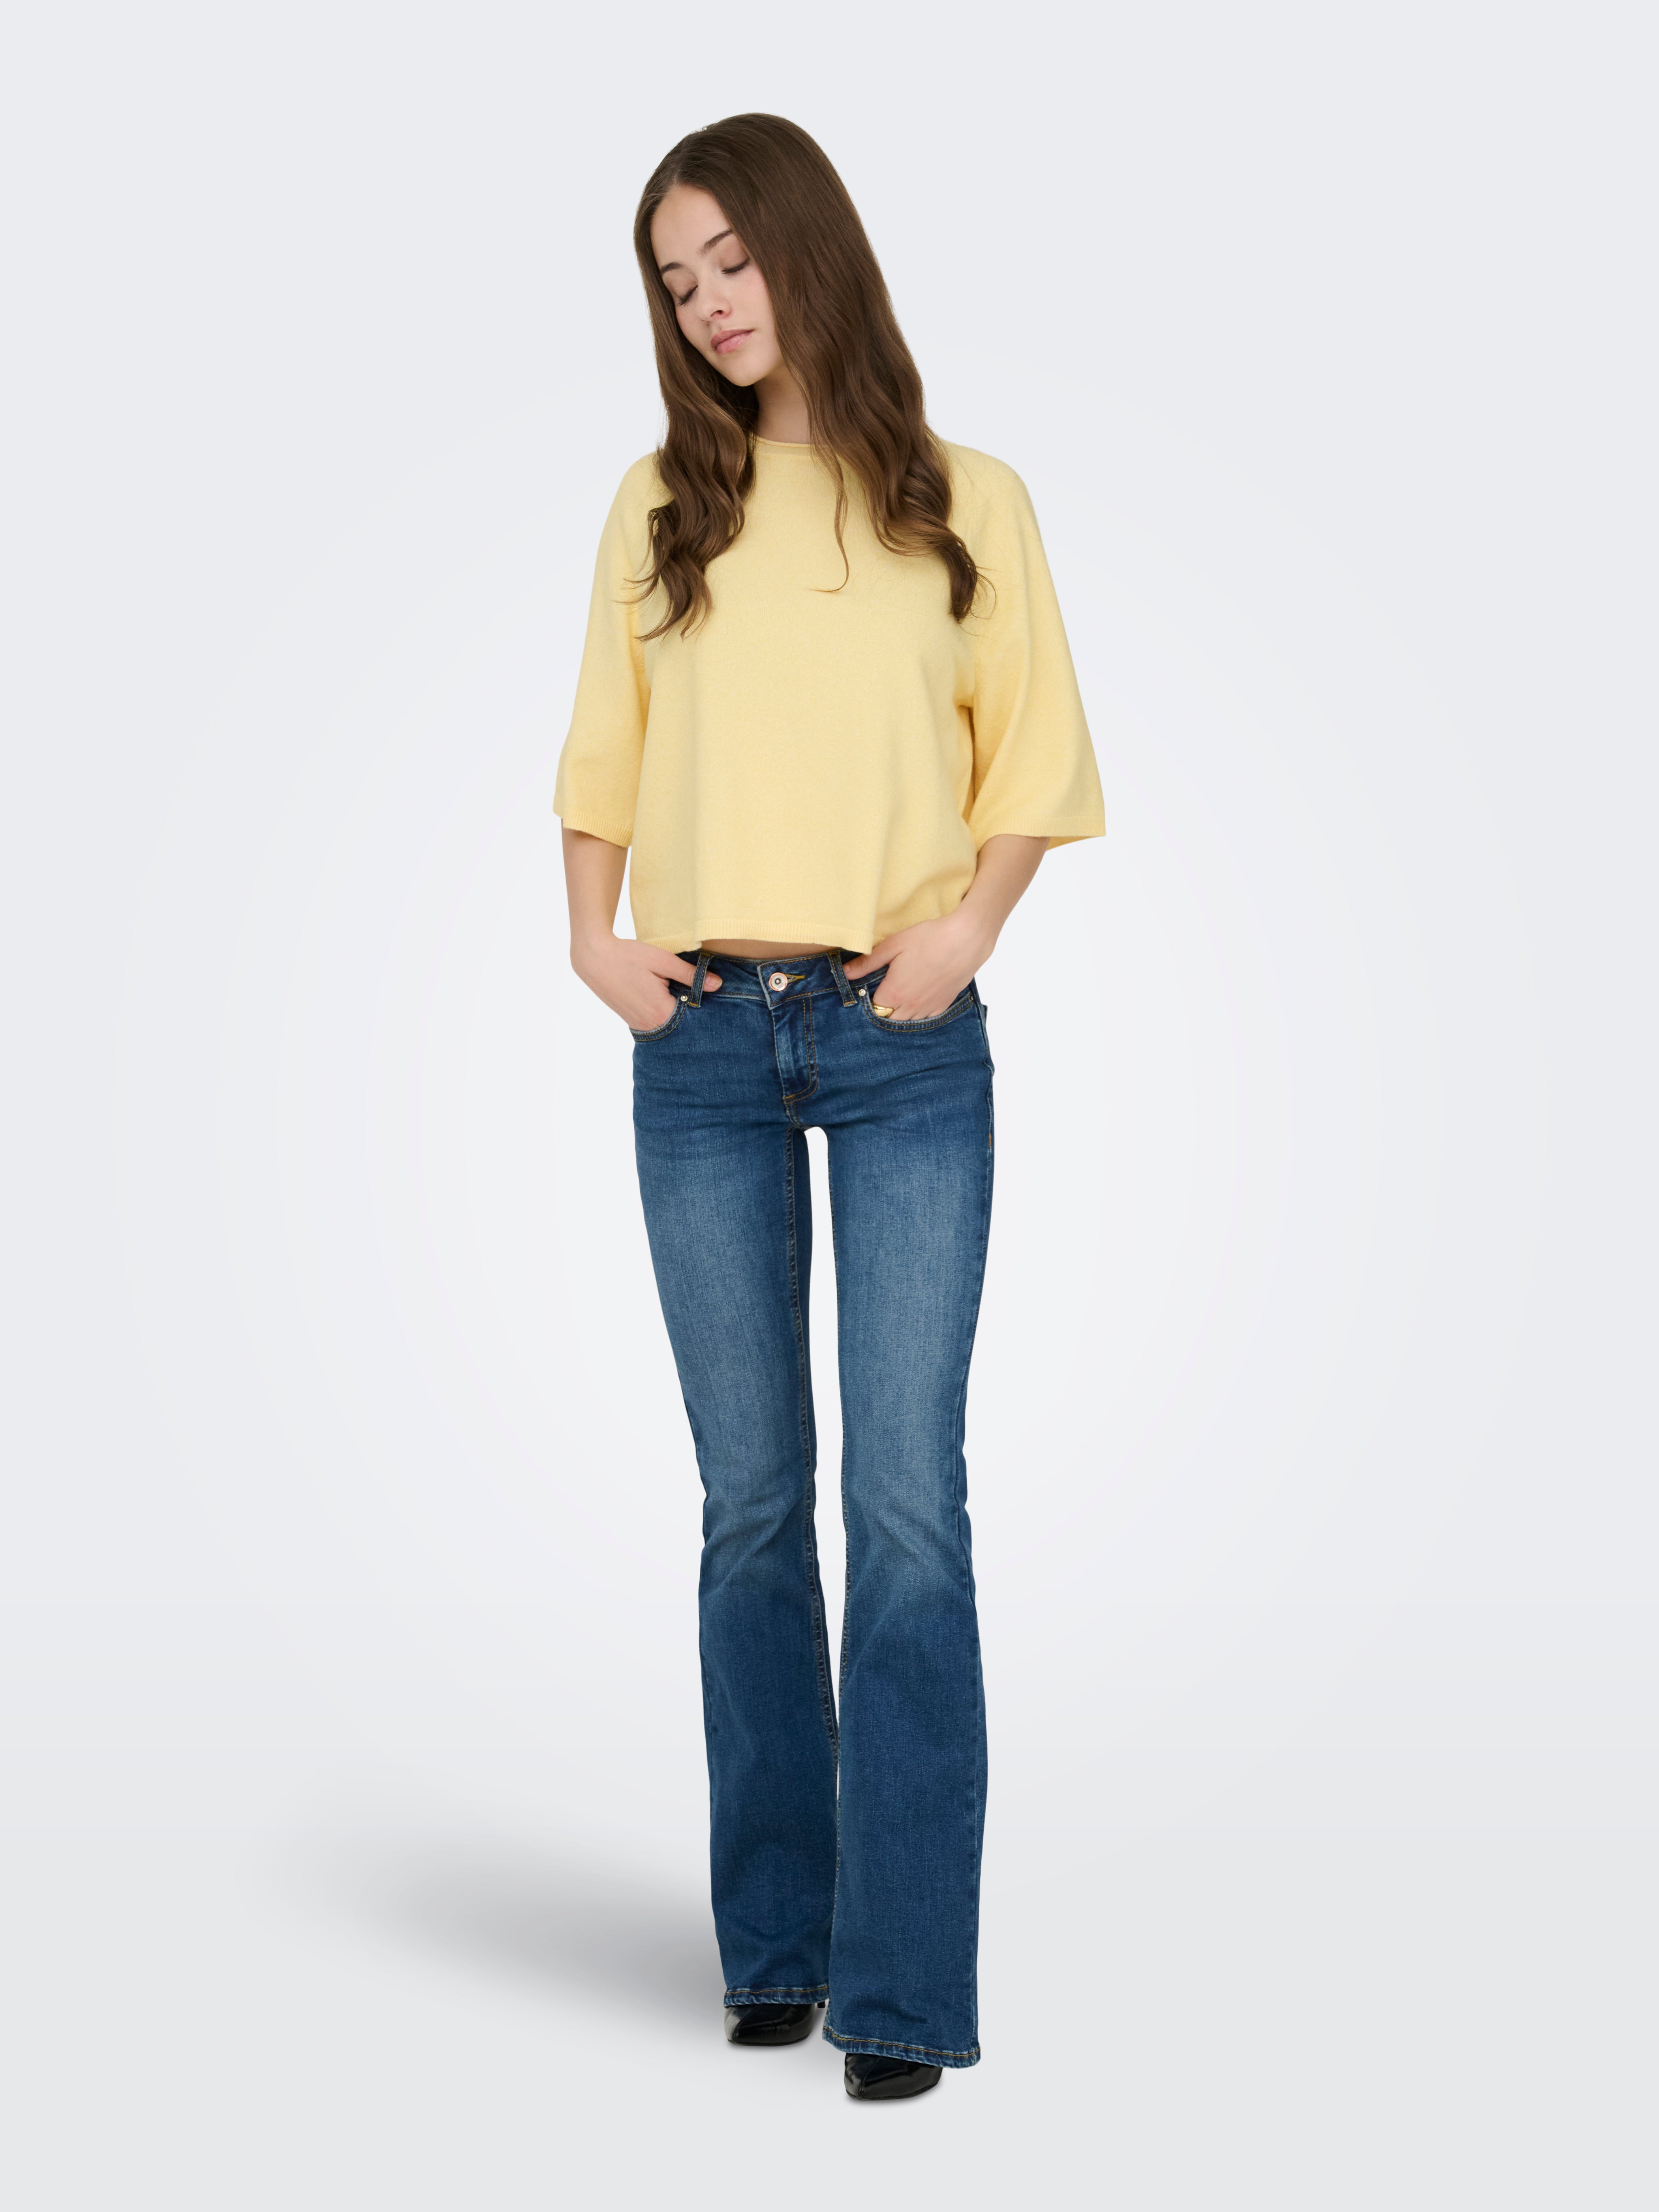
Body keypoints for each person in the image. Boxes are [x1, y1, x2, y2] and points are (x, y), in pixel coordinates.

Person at [554, 113, 1103, 2101]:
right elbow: (602, 749)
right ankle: (776, 1945)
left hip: (899, 1044)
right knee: (752, 1510)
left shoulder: (965, 500)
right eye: (674, 280)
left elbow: (1032, 754)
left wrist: (966, 932)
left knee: (905, 1511)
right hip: (701, 1043)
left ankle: (899, 1988)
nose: (707, 302)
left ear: (809, 245)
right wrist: (594, 943)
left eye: (729, 257)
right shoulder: (659, 508)